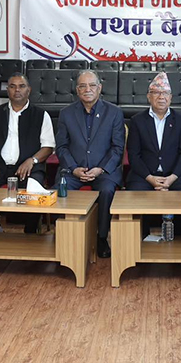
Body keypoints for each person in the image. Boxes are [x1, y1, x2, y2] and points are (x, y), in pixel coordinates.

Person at [0, 72, 55, 235]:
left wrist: (32, 160)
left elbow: (48, 147)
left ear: (29, 90)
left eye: (21, 86)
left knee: (35, 190)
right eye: (13, 86)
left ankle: (30, 233)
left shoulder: (41, 115)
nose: (17, 90)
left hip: (27, 168)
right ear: (7, 90)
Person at [56, 70, 124, 258]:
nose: (88, 89)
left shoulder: (114, 113)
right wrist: (73, 169)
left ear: (99, 88)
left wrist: (100, 169)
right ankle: (66, 237)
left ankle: (101, 237)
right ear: (77, 90)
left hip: (103, 171)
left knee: (107, 191)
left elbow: (118, 148)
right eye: (82, 86)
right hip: (74, 171)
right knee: (60, 189)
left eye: (92, 85)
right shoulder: (66, 114)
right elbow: (61, 147)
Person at [126, 73, 181, 192]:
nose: (161, 97)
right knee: (135, 193)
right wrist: (150, 178)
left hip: (174, 175)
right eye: (156, 92)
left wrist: (171, 178)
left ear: (170, 97)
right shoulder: (137, 120)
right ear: (149, 96)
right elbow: (133, 155)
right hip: (145, 175)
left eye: (165, 93)